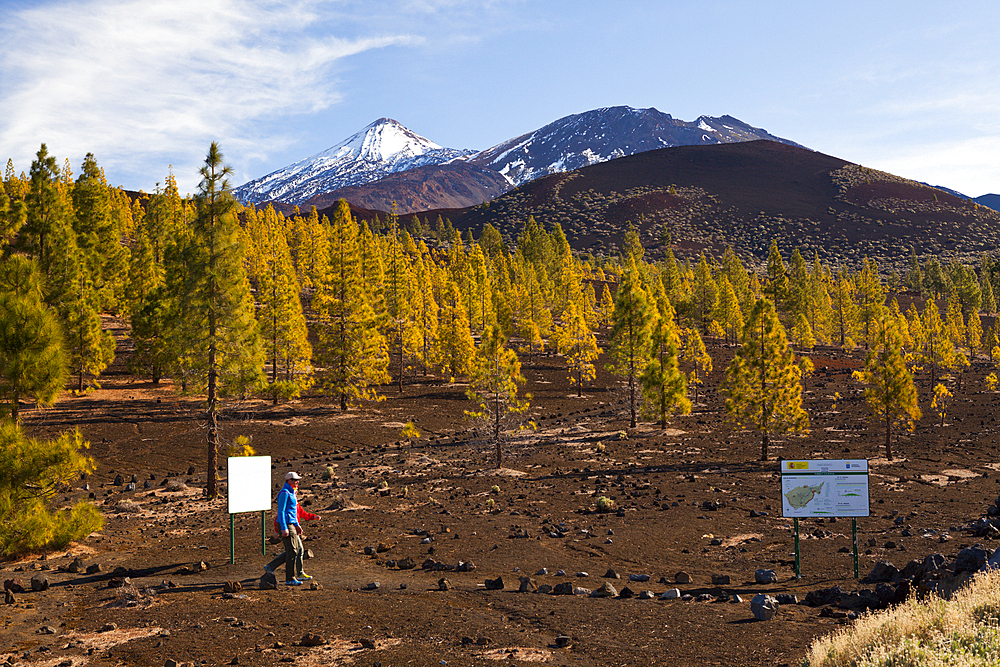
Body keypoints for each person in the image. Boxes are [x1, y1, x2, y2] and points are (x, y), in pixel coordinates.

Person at [264, 471, 319, 585]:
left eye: (297, 479)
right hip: (286, 524)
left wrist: (297, 525)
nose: (296, 481)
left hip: (291, 524)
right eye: (294, 480)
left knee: (295, 549)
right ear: (288, 480)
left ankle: (289, 574)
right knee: (292, 551)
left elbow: (294, 512)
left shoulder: (292, 492)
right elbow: (282, 511)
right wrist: (284, 528)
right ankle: (290, 578)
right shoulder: (285, 493)